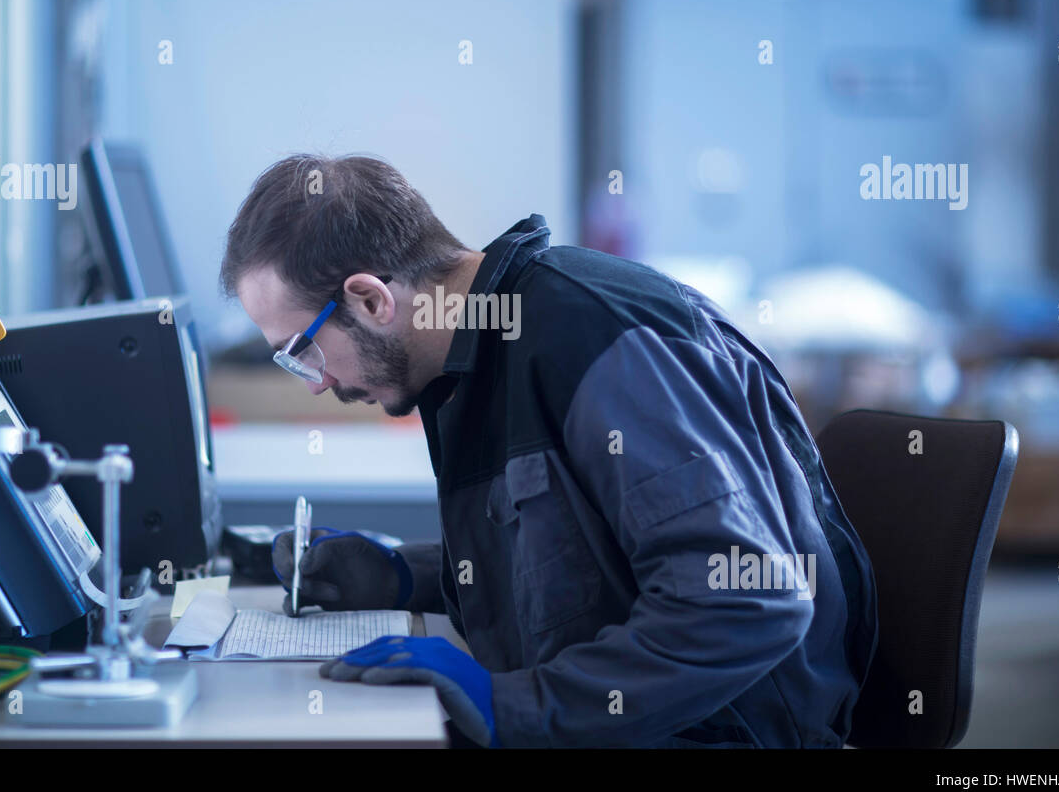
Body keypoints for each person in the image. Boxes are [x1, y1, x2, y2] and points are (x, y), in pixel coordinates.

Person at [220, 154, 878, 748]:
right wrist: (402, 576)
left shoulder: (593, 340)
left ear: (369, 299)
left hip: (721, 731)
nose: (320, 383)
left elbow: (744, 603)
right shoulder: (471, 365)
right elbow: (581, 555)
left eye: (302, 351)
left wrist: (514, 707)